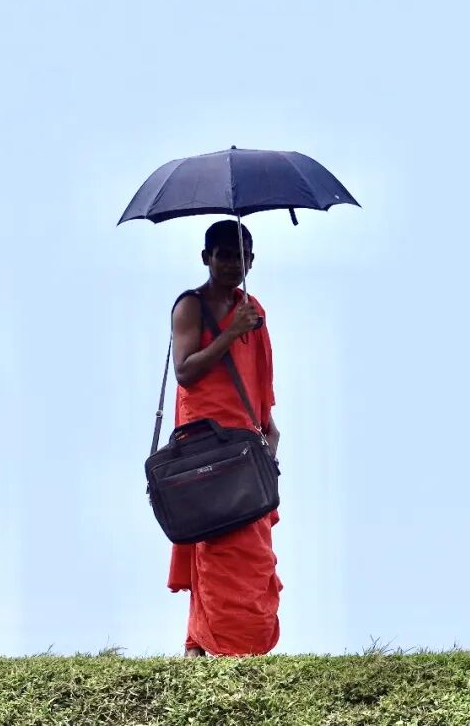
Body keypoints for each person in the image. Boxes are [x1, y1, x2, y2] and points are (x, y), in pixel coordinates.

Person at [167, 220, 283, 657]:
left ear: (251, 261)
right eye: (225, 255)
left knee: (252, 545)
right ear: (207, 258)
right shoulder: (190, 306)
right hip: (205, 441)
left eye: (241, 256)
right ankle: (206, 642)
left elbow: (259, 377)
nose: (234, 264)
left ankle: (224, 642)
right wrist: (232, 331)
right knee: (213, 540)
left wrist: (268, 427)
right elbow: (185, 372)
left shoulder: (252, 309)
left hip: (246, 441)